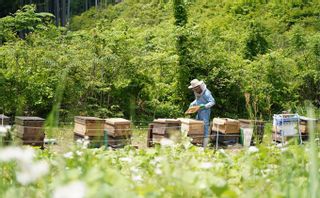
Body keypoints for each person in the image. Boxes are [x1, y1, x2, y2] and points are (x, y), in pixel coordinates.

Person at [188, 79, 215, 147]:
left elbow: (212, 102)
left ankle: (205, 146)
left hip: (205, 111)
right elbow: (197, 100)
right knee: (197, 126)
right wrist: (192, 104)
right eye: (193, 89)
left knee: (205, 126)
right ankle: (198, 142)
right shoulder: (196, 92)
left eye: (196, 88)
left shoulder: (207, 93)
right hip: (198, 111)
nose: (195, 90)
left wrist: (205, 106)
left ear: (199, 86)